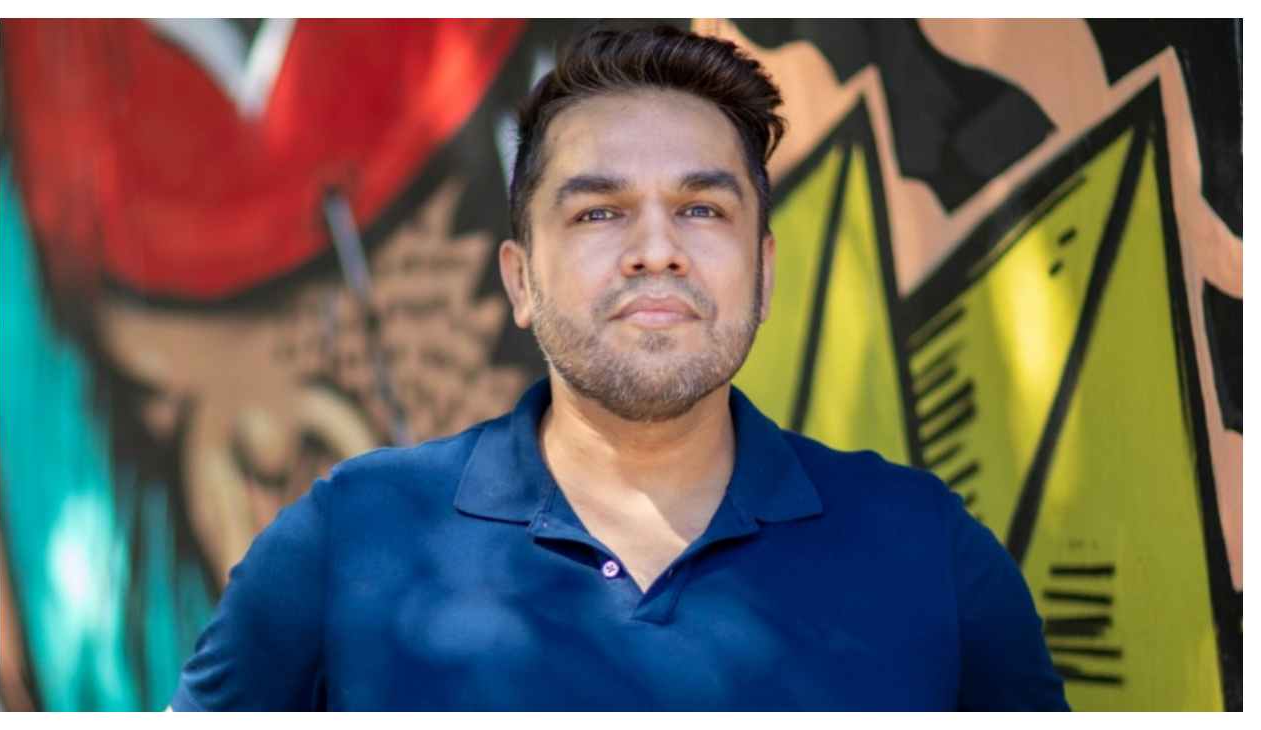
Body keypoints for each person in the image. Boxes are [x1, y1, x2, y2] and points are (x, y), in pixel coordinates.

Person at [171, 25, 1069, 711]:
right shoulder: (347, 540)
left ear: (763, 270)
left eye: (702, 210)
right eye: (599, 214)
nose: (656, 250)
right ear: (520, 280)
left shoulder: (927, 552)